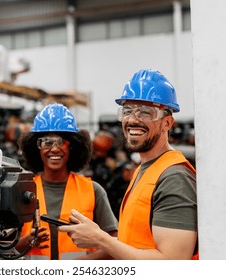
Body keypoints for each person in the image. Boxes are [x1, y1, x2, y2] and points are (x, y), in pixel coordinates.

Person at [59, 69, 198, 260]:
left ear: (167, 123)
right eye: (127, 111)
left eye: (145, 113)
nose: (132, 120)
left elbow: (172, 264)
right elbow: (132, 244)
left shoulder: (174, 178)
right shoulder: (144, 170)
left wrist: (100, 238)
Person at [16, 103, 118, 260]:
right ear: (36, 147)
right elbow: (3, 248)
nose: (55, 149)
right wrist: (27, 242)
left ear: (74, 146)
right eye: (47, 142)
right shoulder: (22, 190)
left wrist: (78, 266)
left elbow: (115, 245)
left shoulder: (93, 190)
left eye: (62, 142)